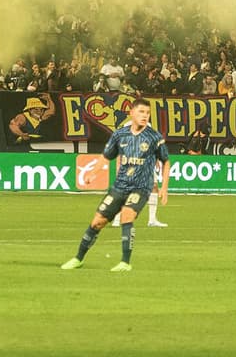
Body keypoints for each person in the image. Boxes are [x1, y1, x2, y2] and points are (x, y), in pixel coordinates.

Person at [61, 98, 169, 272]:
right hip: (120, 186)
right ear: (131, 113)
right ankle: (78, 258)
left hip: (141, 187)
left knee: (127, 215)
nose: (145, 116)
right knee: (97, 222)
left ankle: (125, 262)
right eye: (141, 112)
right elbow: (106, 156)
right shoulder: (120, 135)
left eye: (148, 113)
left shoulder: (154, 137)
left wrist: (164, 187)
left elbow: (166, 161)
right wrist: (92, 173)